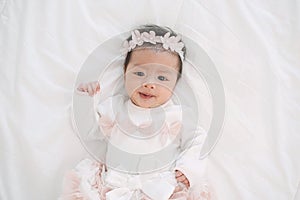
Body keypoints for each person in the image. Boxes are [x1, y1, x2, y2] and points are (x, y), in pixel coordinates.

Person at [59, 24, 212, 200]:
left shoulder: (176, 116)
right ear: (125, 73)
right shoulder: (114, 108)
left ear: (175, 84)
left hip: (160, 190)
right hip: (111, 188)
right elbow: (89, 133)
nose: (149, 83)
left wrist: (188, 169)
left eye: (162, 78)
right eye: (139, 73)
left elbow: (198, 141)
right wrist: (86, 100)